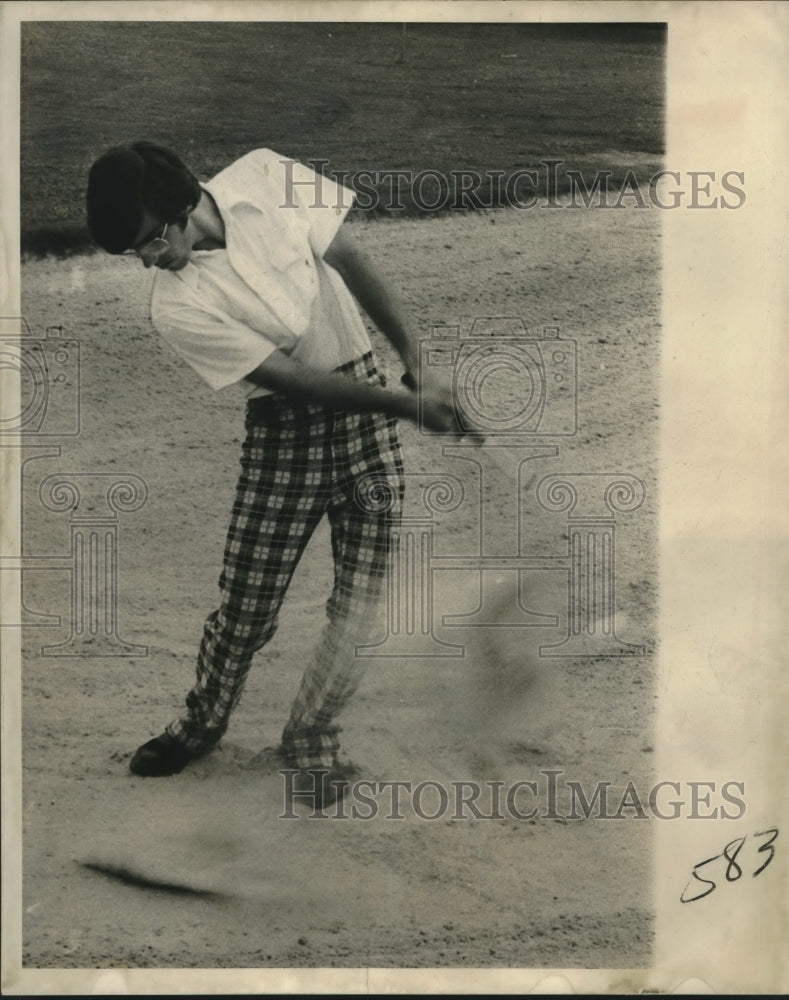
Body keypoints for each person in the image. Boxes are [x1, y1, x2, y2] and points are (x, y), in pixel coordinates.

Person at [86, 141, 471, 807]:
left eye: (149, 241)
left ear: (180, 206)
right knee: (246, 608)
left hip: (366, 414)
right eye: (134, 254)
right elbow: (292, 379)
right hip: (284, 434)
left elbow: (349, 257)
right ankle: (200, 723)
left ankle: (310, 735)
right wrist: (407, 406)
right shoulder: (172, 307)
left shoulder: (266, 173)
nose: (146, 260)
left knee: (362, 603)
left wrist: (416, 360)